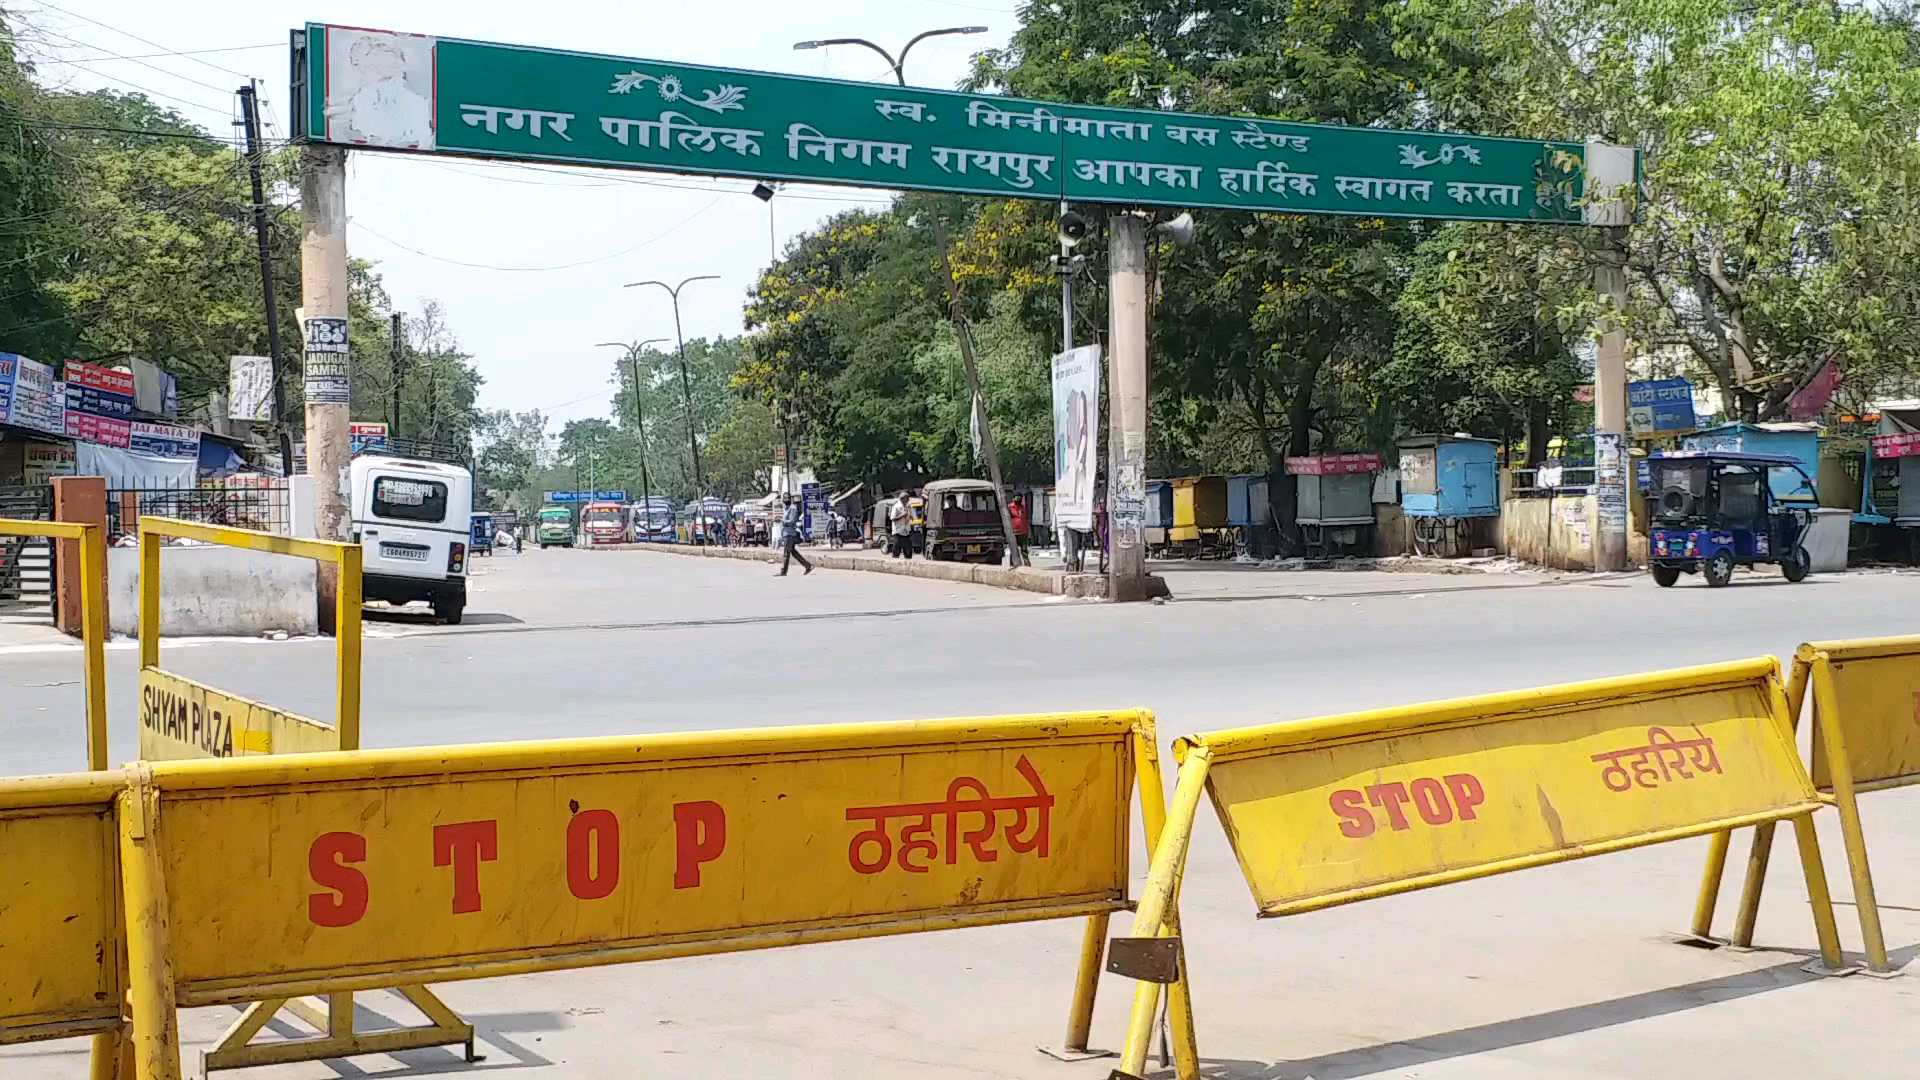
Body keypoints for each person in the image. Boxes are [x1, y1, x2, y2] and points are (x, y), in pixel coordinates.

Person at [777, 496, 813, 576]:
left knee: (786, 553)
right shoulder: (786, 508)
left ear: (790, 499)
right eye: (784, 499)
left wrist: (782, 521)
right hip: (786, 532)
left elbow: (792, 521)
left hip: (790, 533)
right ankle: (808, 566)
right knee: (793, 552)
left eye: (787, 498)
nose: (785, 500)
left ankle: (783, 571)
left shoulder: (792, 508)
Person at [888, 492, 913, 559]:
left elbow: (912, 516)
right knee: (896, 551)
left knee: (908, 551)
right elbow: (892, 518)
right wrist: (902, 515)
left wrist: (911, 516)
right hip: (898, 531)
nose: (908, 500)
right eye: (906, 499)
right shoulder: (896, 507)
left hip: (906, 530)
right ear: (902, 499)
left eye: (908, 499)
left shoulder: (908, 506)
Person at [1008, 494, 1031, 562]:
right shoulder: (1009, 507)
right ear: (1013, 498)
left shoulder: (1023, 507)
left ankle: (1027, 565)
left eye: (1020, 498)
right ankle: (1013, 564)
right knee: (1014, 551)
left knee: (1024, 550)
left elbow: (1026, 519)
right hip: (1013, 533)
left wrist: (1029, 533)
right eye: (1016, 498)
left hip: (1023, 532)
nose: (1018, 499)